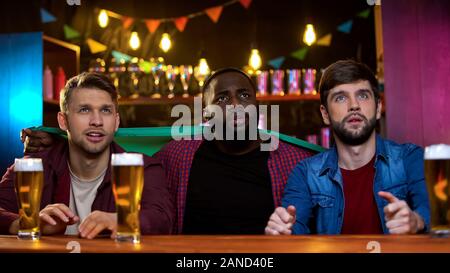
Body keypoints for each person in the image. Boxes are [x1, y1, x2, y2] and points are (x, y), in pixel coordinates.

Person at [22, 68, 315, 234]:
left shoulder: (292, 160)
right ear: (206, 113)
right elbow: (120, 146)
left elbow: (330, 161)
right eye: (222, 98)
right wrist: (60, 139)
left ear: (257, 104)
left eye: (244, 95)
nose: (235, 105)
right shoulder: (177, 156)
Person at [265, 60, 430, 235]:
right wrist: (283, 232)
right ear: (325, 114)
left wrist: (417, 221)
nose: (354, 105)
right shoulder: (305, 173)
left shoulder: (410, 158)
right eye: (340, 97)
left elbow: (431, 213)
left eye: (363, 95)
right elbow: (294, 226)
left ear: (378, 107)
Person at [0, 72, 174, 238]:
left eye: (105, 110)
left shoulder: (142, 167)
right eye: (84, 110)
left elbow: (163, 219)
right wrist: (27, 222)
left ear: (116, 121)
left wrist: (120, 220)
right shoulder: (33, 167)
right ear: (63, 120)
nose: (97, 121)